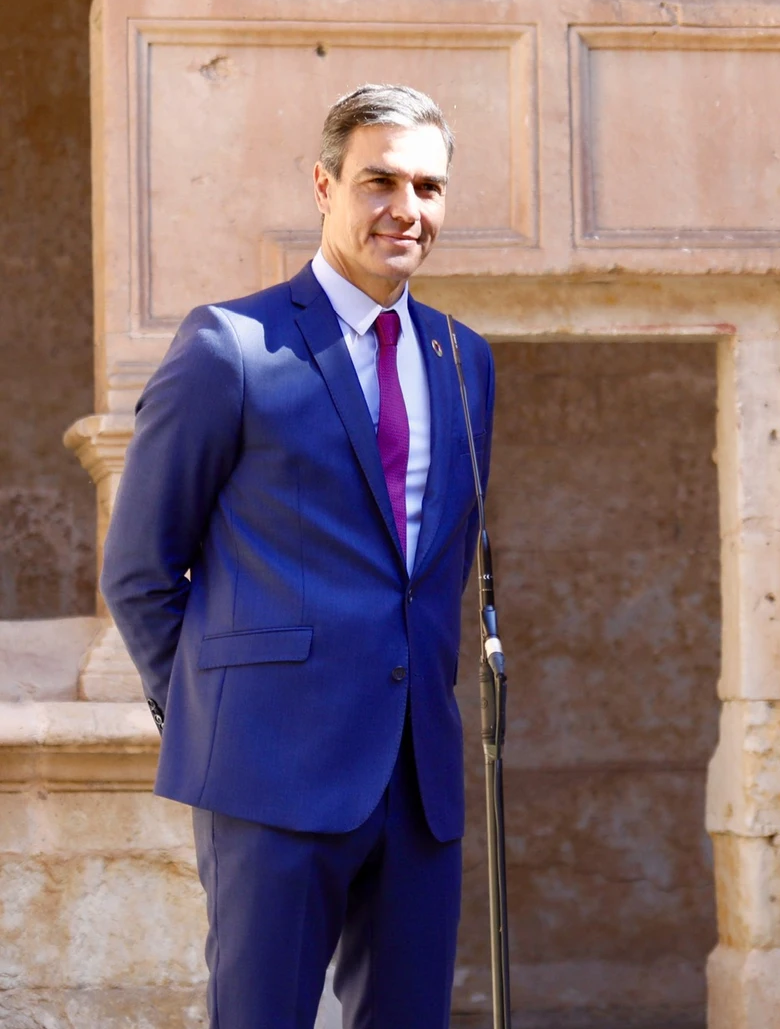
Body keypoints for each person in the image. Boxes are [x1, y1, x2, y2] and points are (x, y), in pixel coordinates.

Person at [102, 84, 495, 1028]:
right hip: (267, 768)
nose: (407, 209)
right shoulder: (230, 345)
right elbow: (139, 568)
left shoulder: (462, 356)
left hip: (418, 775)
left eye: (429, 187)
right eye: (381, 181)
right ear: (324, 186)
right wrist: (217, 711)